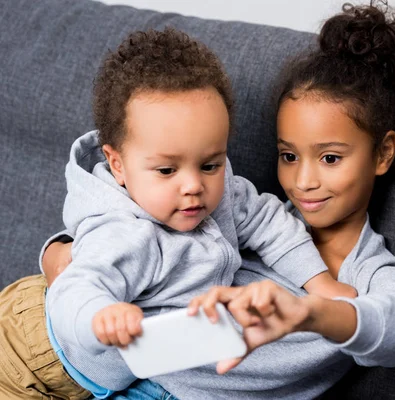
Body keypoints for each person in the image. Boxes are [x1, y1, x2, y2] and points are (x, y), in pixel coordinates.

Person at [0, 27, 356, 400]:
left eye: (210, 164)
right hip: (32, 352)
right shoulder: (125, 234)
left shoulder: (222, 193)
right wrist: (99, 315)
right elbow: (75, 288)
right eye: (167, 171)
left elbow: (269, 222)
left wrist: (320, 284)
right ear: (117, 166)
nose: (193, 186)